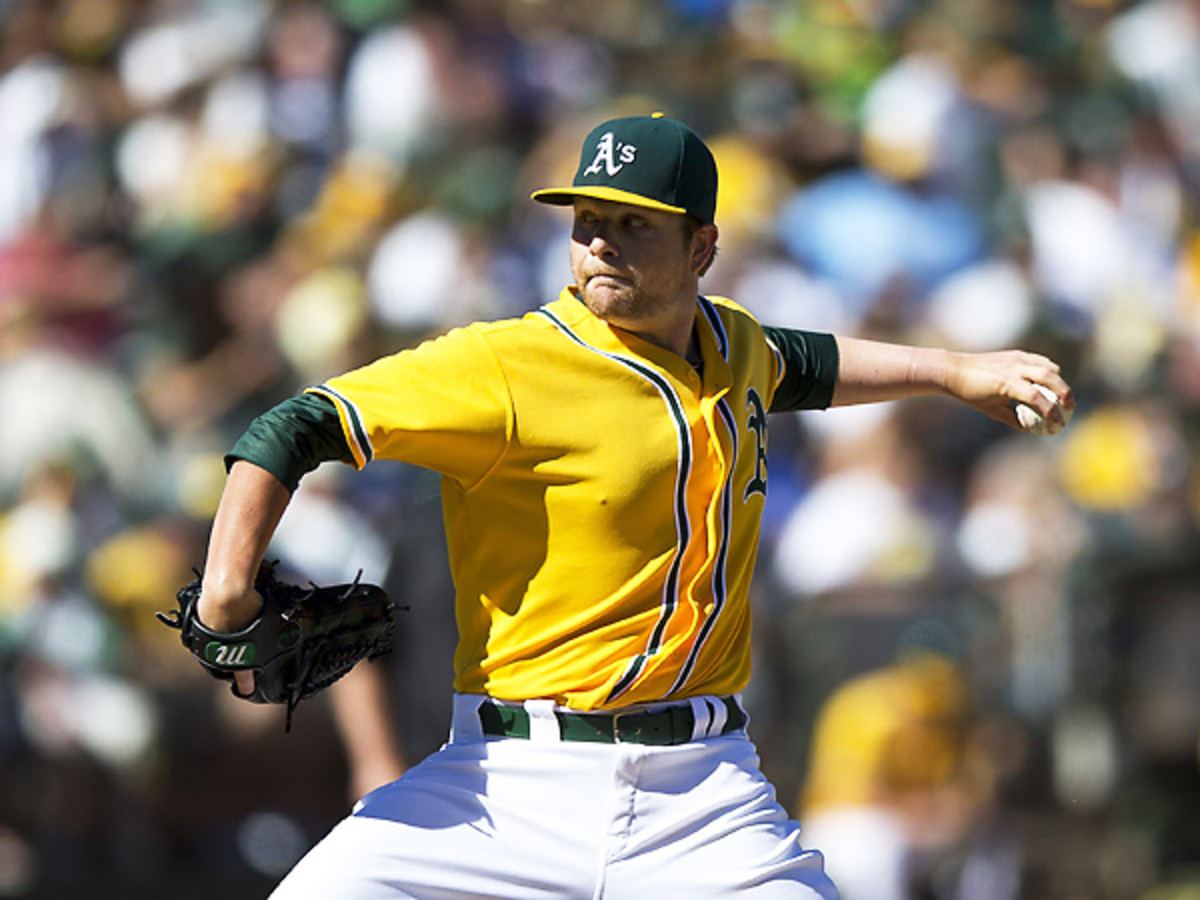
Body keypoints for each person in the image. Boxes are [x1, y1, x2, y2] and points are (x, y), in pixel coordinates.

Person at [195, 113, 1073, 899]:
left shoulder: (736, 345)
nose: (601, 246)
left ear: (701, 249)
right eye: (587, 224)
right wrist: (226, 589)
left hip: (705, 794)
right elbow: (296, 424)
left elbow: (809, 363)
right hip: (502, 785)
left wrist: (956, 372)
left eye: (631, 224)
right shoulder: (505, 366)